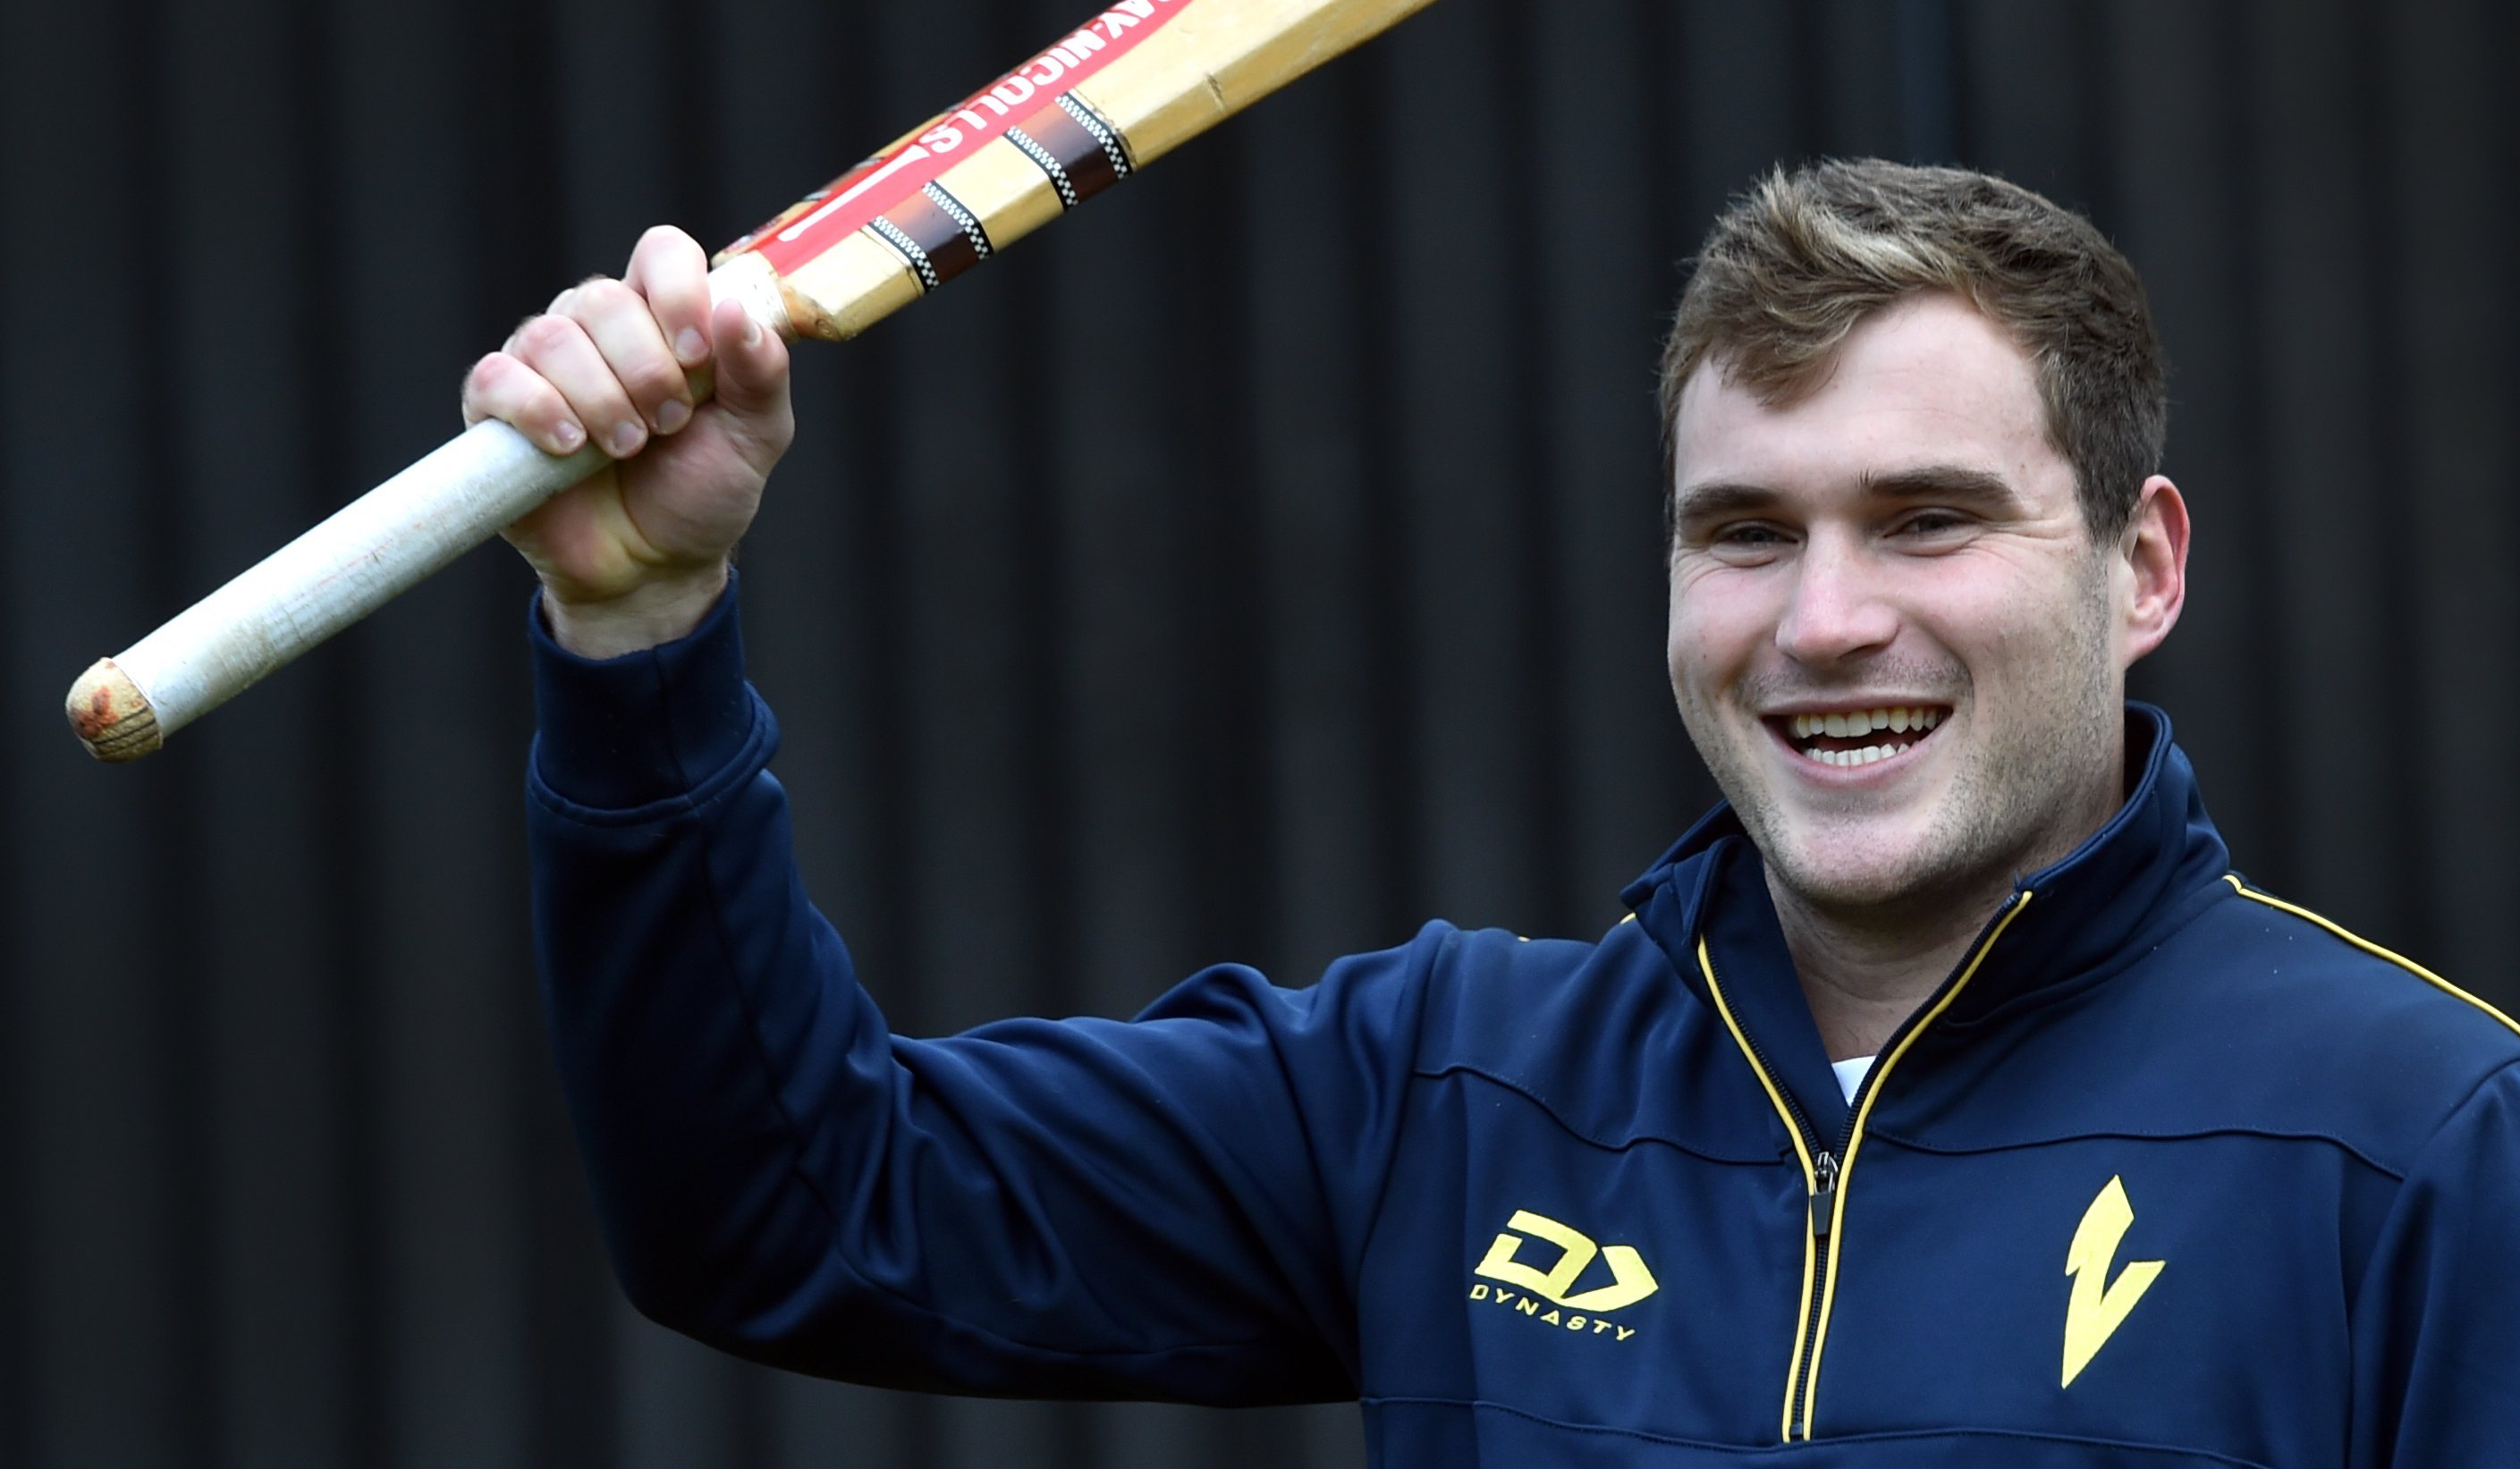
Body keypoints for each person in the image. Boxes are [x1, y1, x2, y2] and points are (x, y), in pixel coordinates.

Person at [467, 159, 2519, 1464]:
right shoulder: (1446, 1092)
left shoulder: (2417, 1139)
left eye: (1923, 520)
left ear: (2139, 566)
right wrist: (640, 628)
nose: (1820, 619)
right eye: (1740, 533)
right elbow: (790, 1211)